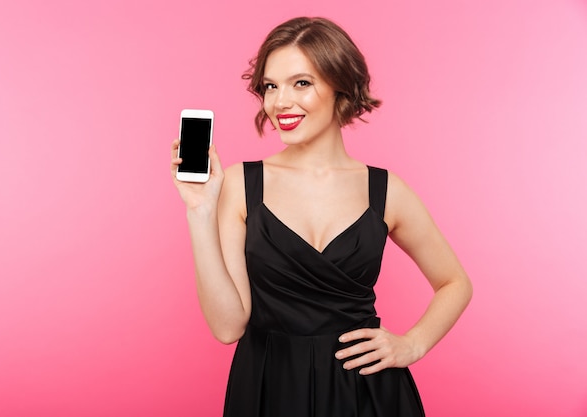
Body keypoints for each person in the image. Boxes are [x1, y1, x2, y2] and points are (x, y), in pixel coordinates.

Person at [171, 16, 472, 417]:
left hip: (369, 392)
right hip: (268, 388)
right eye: (270, 86)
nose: (280, 102)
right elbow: (227, 327)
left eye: (301, 83)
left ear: (339, 88)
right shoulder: (242, 184)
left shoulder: (386, 191)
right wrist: (200, 211)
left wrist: (411, 344)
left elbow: (455, 283)